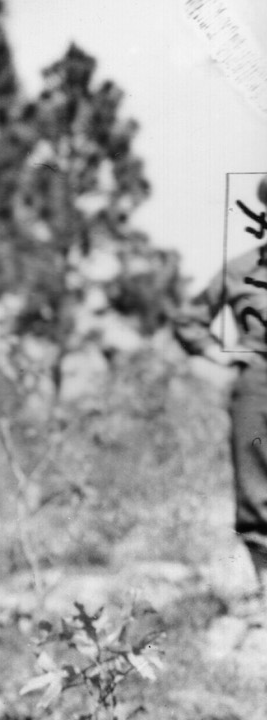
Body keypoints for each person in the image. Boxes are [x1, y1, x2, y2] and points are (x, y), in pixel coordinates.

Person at [174, 174, 267, 604]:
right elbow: (190, 319)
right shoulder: (241, 270)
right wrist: (220, 354)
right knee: (256, 487)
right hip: (259, 383)